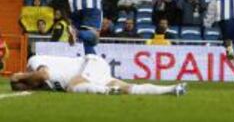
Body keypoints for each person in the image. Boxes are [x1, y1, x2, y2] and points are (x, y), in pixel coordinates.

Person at [10, 54, 187, 96]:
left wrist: (17, 78)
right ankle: (173, 88)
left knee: (73, 85)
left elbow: (41, 76)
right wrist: (20, 83)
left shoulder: (34, 61)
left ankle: (107, 91)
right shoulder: (41, 86)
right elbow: (37, 82)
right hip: (95, 71)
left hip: (90, 64)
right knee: (130, 88)